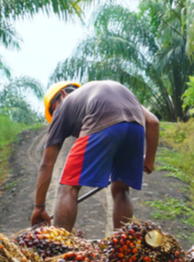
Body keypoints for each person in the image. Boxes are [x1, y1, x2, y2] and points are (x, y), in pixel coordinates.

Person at [31, 80, 160, 232]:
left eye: (54, 110)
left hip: (101, 119)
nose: (56, 116)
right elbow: (153, 122)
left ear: (63, 94)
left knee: (68, 186)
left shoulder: (64, 105)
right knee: (120, 188)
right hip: (136, 126)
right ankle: (123, 248)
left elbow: (47, 163)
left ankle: (60, 246)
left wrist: (39, 208)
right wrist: (149, 160)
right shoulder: (104, 91)